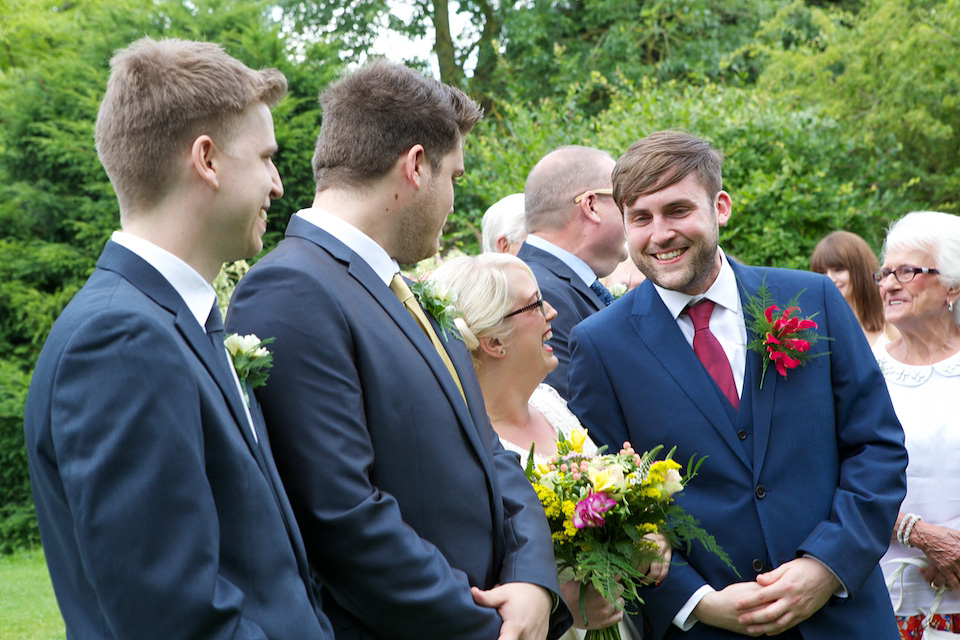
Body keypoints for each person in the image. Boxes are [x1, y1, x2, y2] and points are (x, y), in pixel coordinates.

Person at [226, 60, 571, 640]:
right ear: (415, 167)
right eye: (454, 177)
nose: (455, 201)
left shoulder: (405, 291)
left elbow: (491, 455)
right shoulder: (291, 289)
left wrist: (535, 584)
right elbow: (340, 516)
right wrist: (487, 625)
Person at [22, 38, 332, 639]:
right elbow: (174, 619)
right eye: (267, 158)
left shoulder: (172, 323)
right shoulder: (118, 342)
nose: (278, 185)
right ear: (207, 160)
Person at [567, 130, 908, 638]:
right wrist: (698, 603)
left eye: (677, 210)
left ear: (720, 207)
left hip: (843, 619)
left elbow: (876, 447)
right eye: (641, 218)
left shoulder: (810, 299)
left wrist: (826, 566)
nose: (660, 234)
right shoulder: (599, 345)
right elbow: (604, 504)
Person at [430, 252, 668, 640]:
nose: (553, 312)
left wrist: (641, 536)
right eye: (536, 304)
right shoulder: (464, 443)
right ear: (493, 341)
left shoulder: (549, 402)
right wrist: (562, 603)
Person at [872, 211, 960, 639]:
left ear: (953, 285)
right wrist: (918, 533)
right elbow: (835, 475)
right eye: (885, 272)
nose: (889, 284)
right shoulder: (864, 370)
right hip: (889, 596)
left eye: (907, 271)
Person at [517, 146, 628, 399]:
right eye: (625, 201)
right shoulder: (539, 292)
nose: (632, 215)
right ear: (591, 205)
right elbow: (566, 418)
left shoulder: (547, 281)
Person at [810, 230, 897, 346]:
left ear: (860, 270)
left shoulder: (892, 316)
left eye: (839, 269)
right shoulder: (816, 326)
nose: (829, 278)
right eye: (822, 272)